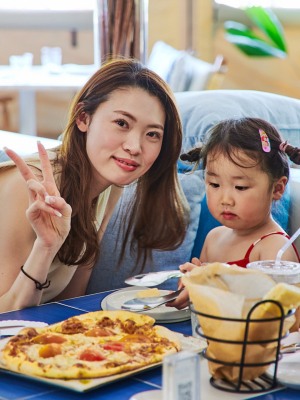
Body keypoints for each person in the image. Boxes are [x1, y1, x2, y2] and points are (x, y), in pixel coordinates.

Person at [0, 59, 189, 313]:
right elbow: (8, 315)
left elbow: (71, 305)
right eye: (122, 123)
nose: (135, 146)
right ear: (83, 118)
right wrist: (45, 249)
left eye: (152, 134)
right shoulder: (27, 188)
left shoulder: (111, 184)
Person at [168, 117, 300, 310]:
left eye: (240, 187)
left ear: (277, 189)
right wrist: (192, 284)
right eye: (214, 184)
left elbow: (275, 316)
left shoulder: (275, 248)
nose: (226, 199)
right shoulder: (214, 238)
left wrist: (211, 282)